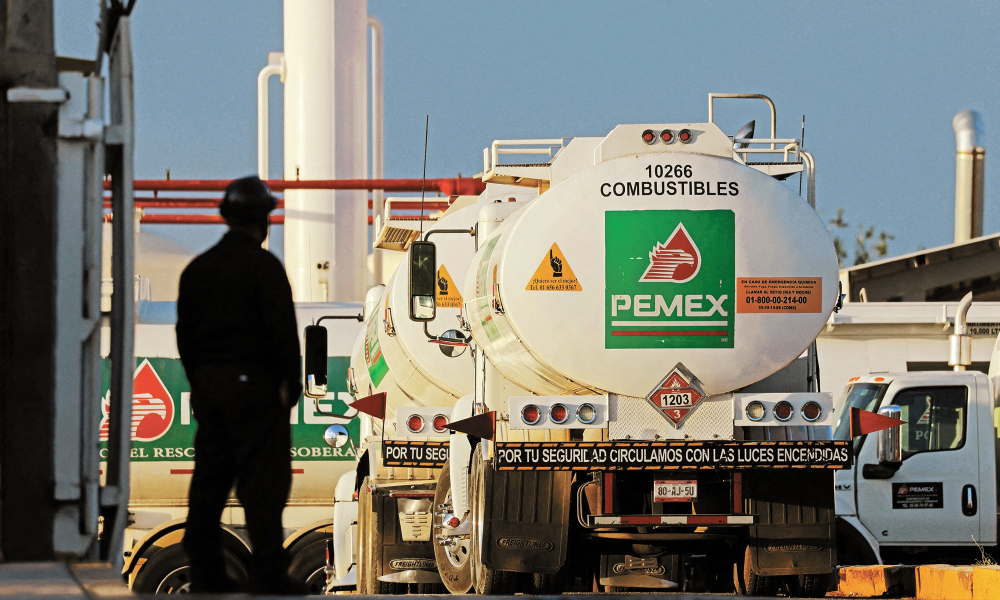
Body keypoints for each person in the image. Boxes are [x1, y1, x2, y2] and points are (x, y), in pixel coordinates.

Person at [175, 176, 302, 593]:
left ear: (226, 217)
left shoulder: (197, 270)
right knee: (262, 485)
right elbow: (283, 332)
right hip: (257, 391)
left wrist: (204, 384)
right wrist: (289, 387)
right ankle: (268, 575)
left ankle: (204, 572)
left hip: (211, 388)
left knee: (209, 479)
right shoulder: (264, 268)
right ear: (263, 220)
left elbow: (186, 337)